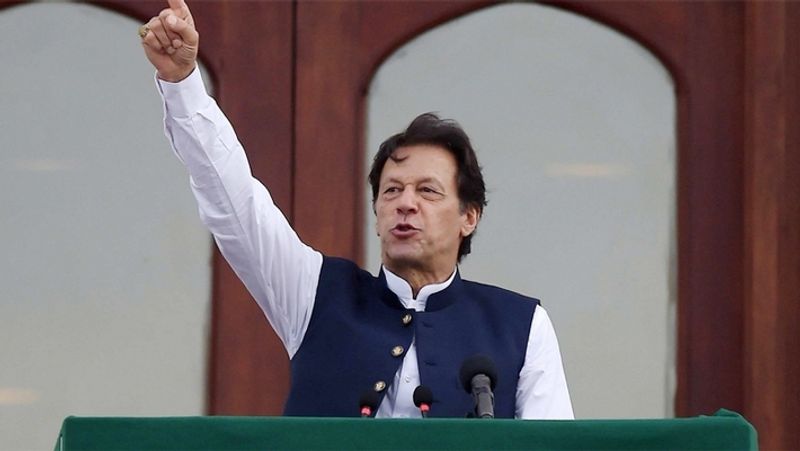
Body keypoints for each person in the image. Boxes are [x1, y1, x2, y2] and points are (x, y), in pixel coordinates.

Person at [140, 0, 573, 419]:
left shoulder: (522, 325)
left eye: (427, 191)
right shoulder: (314, 294)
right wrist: (183, 83)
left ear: (469, 216)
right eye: (391, 191)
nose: (405, 204)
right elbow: (235, 205)